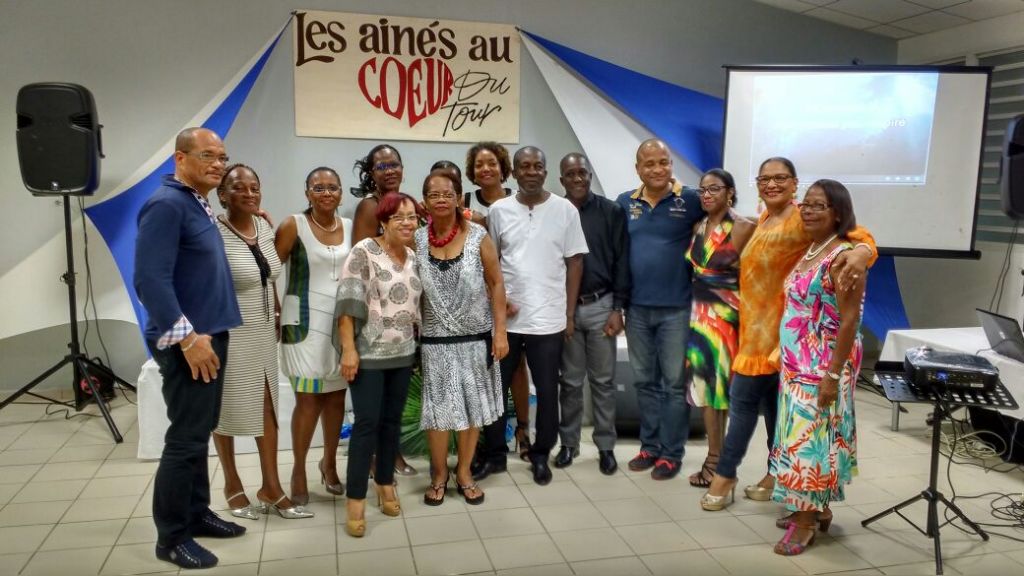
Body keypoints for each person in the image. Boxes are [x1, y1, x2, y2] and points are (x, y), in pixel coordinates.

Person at [700, 157, 875, 511]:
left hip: (784, 341)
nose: (771, 184)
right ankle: (774, 474)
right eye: (764, 179)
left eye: (780, 178)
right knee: (773, 411)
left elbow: (857, 235)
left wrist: (862, 252)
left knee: (744, 403)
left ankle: (725, 473)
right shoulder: (764, 217)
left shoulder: (802, 216)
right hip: (756, 334)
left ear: (794, 183)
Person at [135, 127, 245, 569]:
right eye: (207, 156)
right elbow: (150, 281)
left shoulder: (195, 202)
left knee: (199, 431)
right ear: (179, 159)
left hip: (209, 336)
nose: (218, 164)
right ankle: (171, 536)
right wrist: (188, 339)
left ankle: (196, 513)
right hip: (190, 343)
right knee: (184, 439)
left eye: (222, 157)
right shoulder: (165, 205)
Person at [476, 146, 589, 486]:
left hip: (548, 319)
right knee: (496, 390)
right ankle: (495, 455)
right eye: (524, 166)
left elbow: (575, 262)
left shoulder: (565, 210)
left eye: (537, 166)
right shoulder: (499, 210)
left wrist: (568, 314)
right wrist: (498, 302)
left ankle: (541, 454)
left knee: (548, 390)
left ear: (545, 171)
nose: (531, 172)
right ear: (514, 172)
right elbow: (488, 262)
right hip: (506, 321)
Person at [212, 164, 312, 521]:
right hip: (229, 332)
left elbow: (267, 275)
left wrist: (278, 311)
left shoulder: (264, 227)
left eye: (255, 187)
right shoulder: (212, 232)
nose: (251, 193)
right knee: (227, 408)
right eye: (240, 188)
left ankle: (271, 487)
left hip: (263, 331)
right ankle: (232, 484)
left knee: (267, 407)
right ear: (222, 195)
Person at [770, 179, 864, 555]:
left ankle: (804, 523)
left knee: (808, 441)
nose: (807, 210)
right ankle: (814, 508)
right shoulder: (812, 250)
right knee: (808, 437)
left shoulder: (842, 256)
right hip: (797, 366)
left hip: (822, 366)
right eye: (805, 204)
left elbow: (850, 320)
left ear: (837, 213)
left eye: (818, 206)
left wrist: (831, 374)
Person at [417, 171, 508, 506]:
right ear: (425, 201)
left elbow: (497, 283)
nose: (441, 199)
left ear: (458, 198)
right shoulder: (415, 239)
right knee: (438, 412)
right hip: (436, 342)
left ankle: (465, 473)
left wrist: (500, 331)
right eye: (433, 194)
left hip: (476, 339)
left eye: (447, 193)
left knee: (472, 410)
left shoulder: (478, 236)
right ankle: (439, 474)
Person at [616, 139, 703, 480]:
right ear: (638, 168)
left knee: (672, 385)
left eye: (663, 162)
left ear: (671, 165)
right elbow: (617, 254)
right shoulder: (625, 203)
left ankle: (671, 453)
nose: (657, 169)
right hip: (637, 310)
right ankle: (649, 447)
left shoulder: (691, 199)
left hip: (677, 310)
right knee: (644, 383)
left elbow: (723, 222)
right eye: (649, 163)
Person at [337, 192, 422, 537]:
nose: (407, 222)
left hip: (403, 354)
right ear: (383, 221)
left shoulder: (415, 256)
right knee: (366, 426)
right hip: (368, 354)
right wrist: (348, 350)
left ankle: (385, 483)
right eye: (399, 216)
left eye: (413, 216)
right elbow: (348, 303)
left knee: (391, 424)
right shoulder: (364, 252)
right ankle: (356, 498)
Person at [275, 166, 352, 505]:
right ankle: (298, 469)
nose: (326, 193)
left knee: (336, 399)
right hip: (303, 324)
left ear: (341, 193)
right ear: (307, 192)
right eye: (318, 187)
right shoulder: (293, 225)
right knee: (308, 400)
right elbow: (266, 271)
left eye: (332, 187)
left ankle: (330, 463)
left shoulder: (350, 227)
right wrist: (275, 310)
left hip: (342, 326)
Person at [555, 153, 630, 475]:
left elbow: (622, 261)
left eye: (582, 173)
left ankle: (605, 447)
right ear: (561, 180)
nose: (577, 179)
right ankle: (569, 444)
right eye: (570, 174)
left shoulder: (611, 211)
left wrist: (618, 308)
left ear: (589, 175)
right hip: (565, 308)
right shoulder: (554, 212)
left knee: (603, 381)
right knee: (570, 382)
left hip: (602, 306)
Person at [684, 169, 755, 487]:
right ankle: (717, 459)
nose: (707, 194)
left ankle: (718, 463)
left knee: (719, 394)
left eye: (715, 188)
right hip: (699, 320)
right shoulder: (699, 226)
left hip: (727, 320)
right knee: (705, 393)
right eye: (703, 190)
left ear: (731, 192)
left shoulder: (744, 227)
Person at [351, 144, 417, 476]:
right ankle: (378, 458)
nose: (389, 170)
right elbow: (362, 266)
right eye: (381, 166)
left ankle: (390, 455)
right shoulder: (369, 206)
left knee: (392, 404)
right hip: (375, 323)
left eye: (394, 164)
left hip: (403, 322)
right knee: (372, 409)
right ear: (371, 173)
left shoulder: (406, 207)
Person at [465, 142, 533, 461]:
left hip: (515, 294)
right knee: (491, 367)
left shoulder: (519, 200)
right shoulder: (464, 203)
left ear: (503, 166)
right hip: (479, 296)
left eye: (491, 163)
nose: (485, 169)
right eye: (479, 165)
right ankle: (492, 438)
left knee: (517, 364)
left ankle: (522, 428)